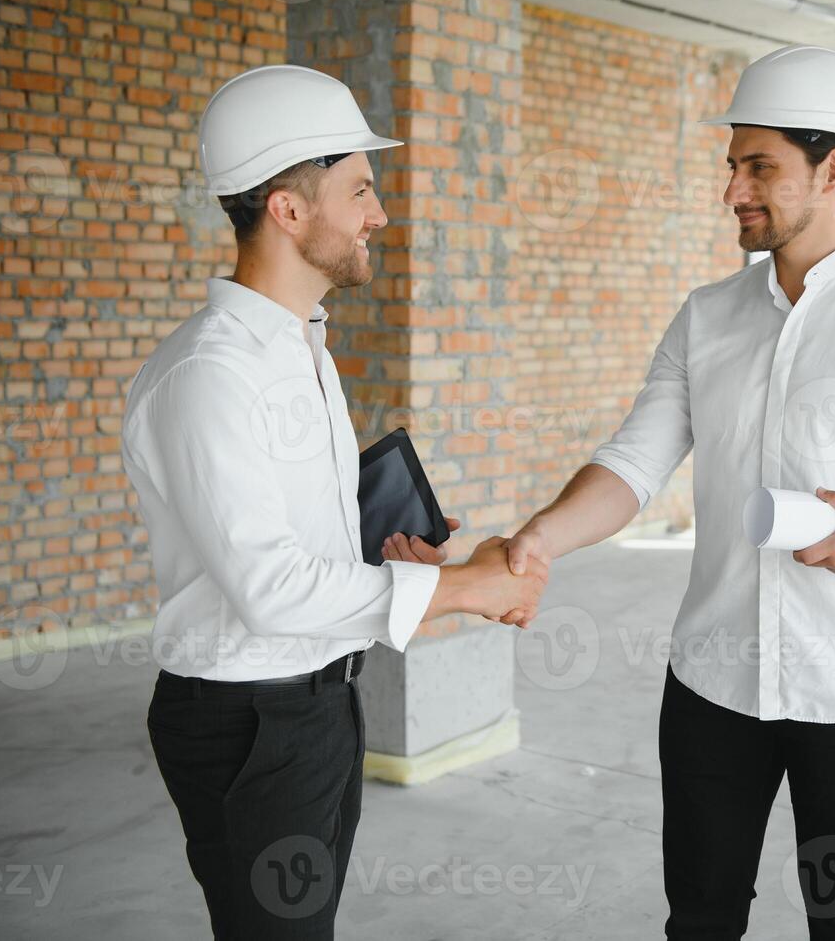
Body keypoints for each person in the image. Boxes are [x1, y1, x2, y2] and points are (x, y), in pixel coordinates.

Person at [503, 44, 835, 940]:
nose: (732, 190)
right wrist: (542, 536)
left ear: (833, 169)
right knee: (701, 917)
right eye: (732, 167)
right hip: (711, 684)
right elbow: (633, 464)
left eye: (759, 166)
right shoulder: (707, 316)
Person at [120, 64, 547, 940]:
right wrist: (465, 588)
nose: (378, 214)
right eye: (359, 190)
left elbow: (291, 534)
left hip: (316, 701)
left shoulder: (303, 346)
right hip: (250, 722)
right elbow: (269, 589)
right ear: (287, 209)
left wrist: (390, 550)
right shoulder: (212, 375)